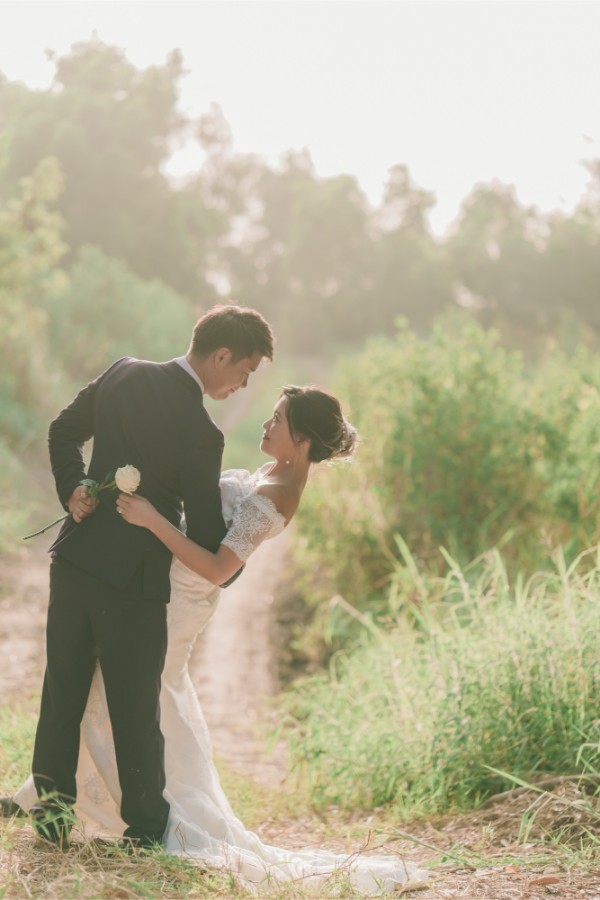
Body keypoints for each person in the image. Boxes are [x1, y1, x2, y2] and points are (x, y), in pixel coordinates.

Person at [8, 386, 429, 893]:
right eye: (270, 415)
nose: (266, 425)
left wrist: (151, 518)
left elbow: (218, 567)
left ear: (301, 440)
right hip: (162, 585)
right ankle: (49, 793)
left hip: (181, 597)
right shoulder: (270, 477)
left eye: (277, 420)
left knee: (131, 688)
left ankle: (147, 810)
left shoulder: (278, 498)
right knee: (107, 683)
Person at [17, 303, 275, 849]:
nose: (241, 385)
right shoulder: (203, 434)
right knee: (134, 706)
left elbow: (62, 431)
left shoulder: (124, 371)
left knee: (62, 688)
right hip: (133, 582)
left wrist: (74, 486)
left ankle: (53, 818)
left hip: (75, 557)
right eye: (244, 372)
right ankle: (144, 832)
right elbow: (205, 535)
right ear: (222, 355)